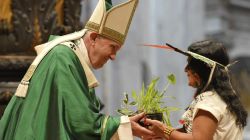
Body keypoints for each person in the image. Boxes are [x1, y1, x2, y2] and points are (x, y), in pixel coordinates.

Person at [0, 0, 155, 139]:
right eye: (112, 47)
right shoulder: (63, 58)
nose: (114, 56)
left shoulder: (73, 58)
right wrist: (124, 124)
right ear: (94, 38)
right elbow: (81, 124)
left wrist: (125, 124)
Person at [144, 40, 248, 140]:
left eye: (190, 63)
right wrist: (160, 133)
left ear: (202, 69)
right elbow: (196, 134)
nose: (186, 69)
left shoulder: (209, 102)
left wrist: (164, 131)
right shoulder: (218, 97)